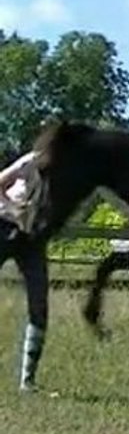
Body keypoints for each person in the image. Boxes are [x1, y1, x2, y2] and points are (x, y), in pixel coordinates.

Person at [0, 150, 48, 392]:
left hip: (32, 237)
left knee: (39, 303)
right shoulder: (32, 160)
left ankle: (27, 382)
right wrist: (12, 207)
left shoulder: (73, 174)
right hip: (5, 225)